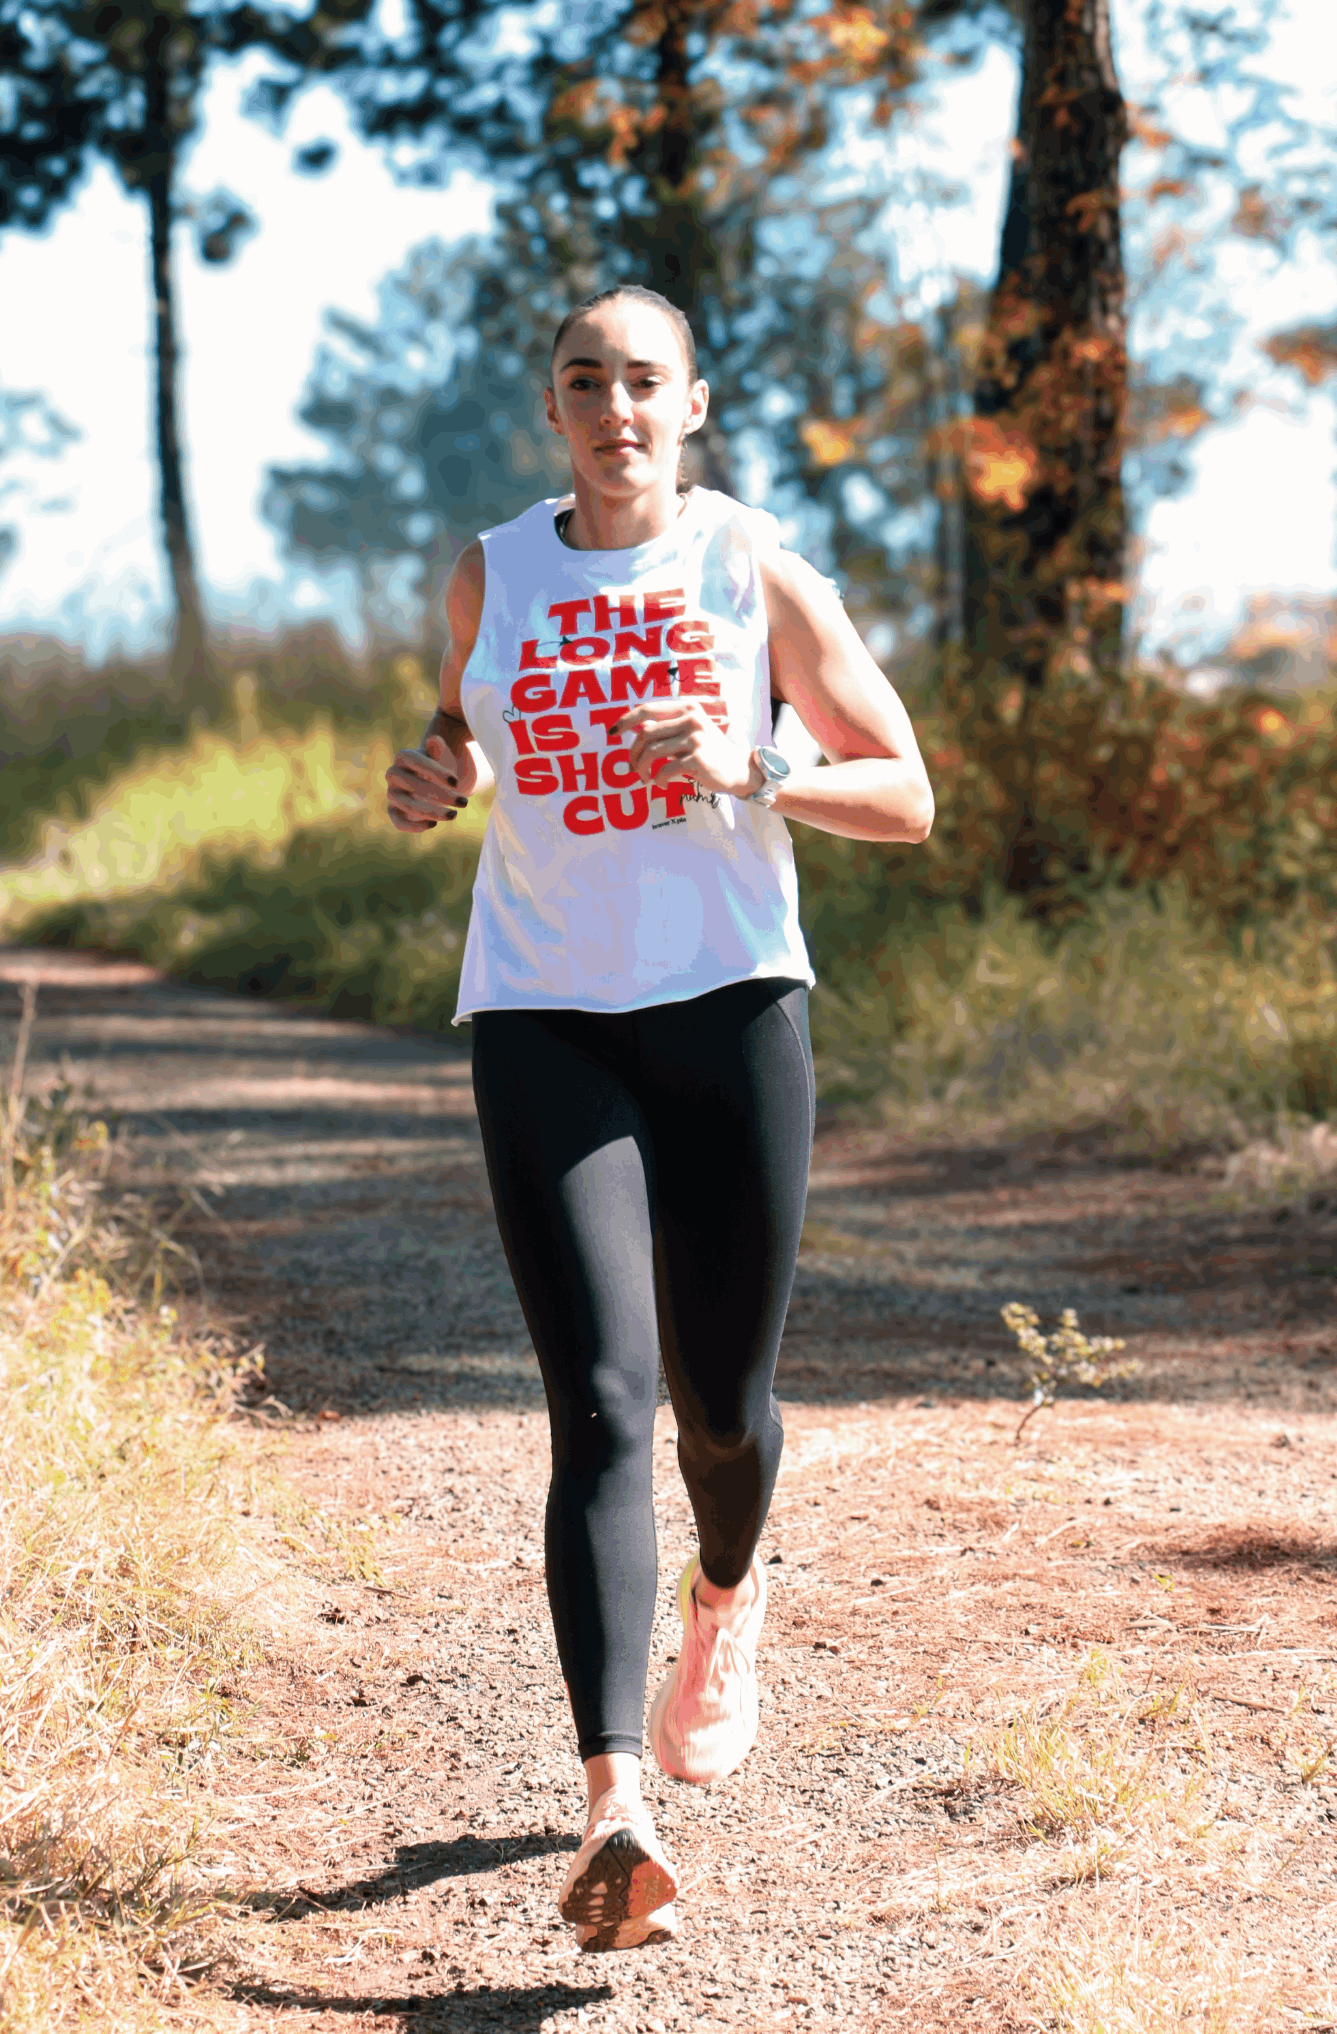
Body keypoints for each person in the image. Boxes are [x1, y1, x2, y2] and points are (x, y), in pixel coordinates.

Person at [385, 285, 934, 1953]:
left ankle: (726, 1593)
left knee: (724, 1409)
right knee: (604, 1403)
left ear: (691, 405)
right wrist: (435, 773)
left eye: (643, 381)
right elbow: (468, 727)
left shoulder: (750, 566)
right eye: (583, 380)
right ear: (552, 408)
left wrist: (753, 763)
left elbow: (905, 793)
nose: (613, 405)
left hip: (731, 1010)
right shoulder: (495, 566)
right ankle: (614, 1798)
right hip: (546, 1016)